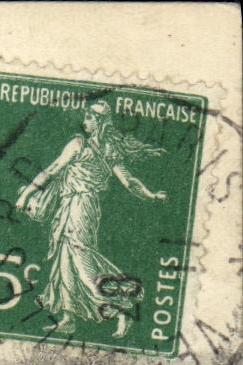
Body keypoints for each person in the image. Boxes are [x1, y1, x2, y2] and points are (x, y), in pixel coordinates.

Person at [14, 100, 167, 337]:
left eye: (89, 118)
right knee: (65, 260)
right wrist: (151, 195)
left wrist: (26, 193)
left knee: (81, 260)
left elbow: (53, 169)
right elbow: (130, 182)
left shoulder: (80, 144)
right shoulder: (109, 151)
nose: (84, 122)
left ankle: (121, 308)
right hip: (78, 206)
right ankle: (68, 318)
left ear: (99, 123)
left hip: (79, 206)